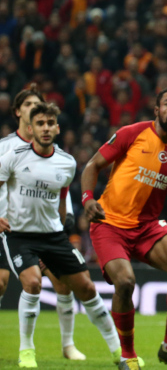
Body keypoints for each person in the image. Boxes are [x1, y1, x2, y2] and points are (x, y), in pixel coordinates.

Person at [81, 87, 167, 370]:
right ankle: (127, 355)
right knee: (125, 282)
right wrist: (87, 199)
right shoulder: (132, 133)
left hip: (147, 227)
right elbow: (92, 165)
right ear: (157, 110)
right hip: (109, 223)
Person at [0, 103, 121, 368]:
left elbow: (62, 198)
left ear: (57, 128)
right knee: (33, 283)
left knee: (87, 288)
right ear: (30, 128)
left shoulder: (67, 162)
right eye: (40, 123)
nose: (45, 128)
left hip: (53, 236)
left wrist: (64, 227)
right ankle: (26, 351)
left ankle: (119, 352)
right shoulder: (12, 157)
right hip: (19, 235)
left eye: (49, 123)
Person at [0, 87, 88, 361]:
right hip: (9, 228)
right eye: (27, 104)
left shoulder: (54, 151)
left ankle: (68, 345)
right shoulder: (5, 147)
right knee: (1, 282)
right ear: (18, 112)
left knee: (63, 283)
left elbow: (58, 185)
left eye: (37, 104)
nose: (32, 108)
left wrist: (68, 214)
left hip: (43, 229)